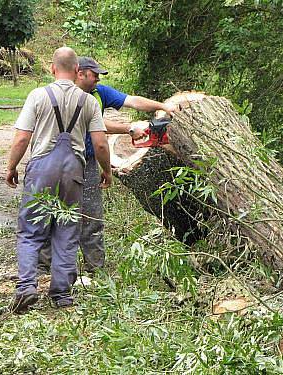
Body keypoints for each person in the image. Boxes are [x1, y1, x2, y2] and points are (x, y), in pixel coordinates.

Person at [37, 57, 178, 275]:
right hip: (60, 162)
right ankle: (45, 266)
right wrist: (128, 128)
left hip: (89, 161)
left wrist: (162, 106)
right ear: (80, 73)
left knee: (92, 214)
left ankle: (95, 267)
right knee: (54, 212)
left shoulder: (99, 93)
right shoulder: (66, 96)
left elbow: (132, 101)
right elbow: (96, 126)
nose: (97, 79)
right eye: (94, 75)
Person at [6, 47, 112, 312]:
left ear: (52, 69)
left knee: (31, 230)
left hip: (43, 168)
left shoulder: (38, 95)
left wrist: (11, 167)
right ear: (77, 72)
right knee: (66, 230)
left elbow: (21, 137)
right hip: (73, 171)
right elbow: (100, 144)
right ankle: (62, 293)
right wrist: (106, 171)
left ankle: (27, 286)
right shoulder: (88, 101)